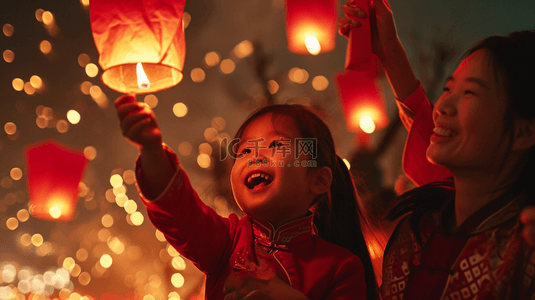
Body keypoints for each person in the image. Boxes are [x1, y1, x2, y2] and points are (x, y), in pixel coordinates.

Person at [340, 0, 535, 299]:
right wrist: (388, 50)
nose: (442, 107)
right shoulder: (415, 233)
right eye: (447, 89)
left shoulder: (524, 250)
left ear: (523, 131)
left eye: (470, 92)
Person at [114, 97, 379, 299]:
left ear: (318, 180)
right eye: (244, 151)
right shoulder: (226, 242)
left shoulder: (341, 267)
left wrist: (280, 294)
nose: (255, 156)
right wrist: (151, 150)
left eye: (276, 145)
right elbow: (179, 212)